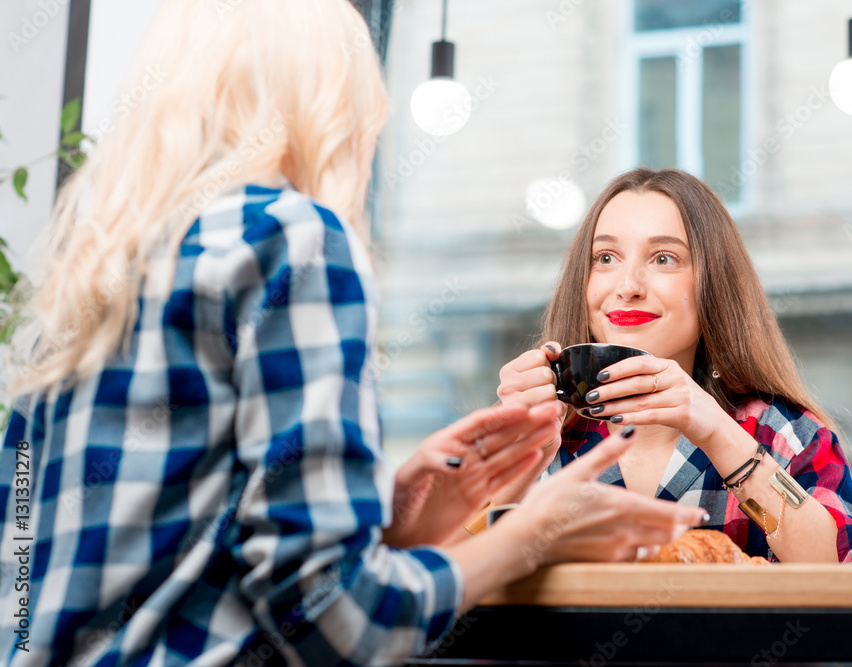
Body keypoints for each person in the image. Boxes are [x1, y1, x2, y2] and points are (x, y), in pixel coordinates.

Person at [0, 3, 708, 666]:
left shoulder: (88, 279)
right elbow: (337, 625)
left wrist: (391, 522)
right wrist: (530, 535)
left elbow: (31, 593)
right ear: (325, 109)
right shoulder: (291, 239)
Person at [495, 167, 852, 564]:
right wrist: (519, 462)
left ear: (713, 286)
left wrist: (719, 433)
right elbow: (444, 585)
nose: (628, 285)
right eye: (606, 257)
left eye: (664, 258)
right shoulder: (541, 434)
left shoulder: (783, 434)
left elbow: (849, 582)